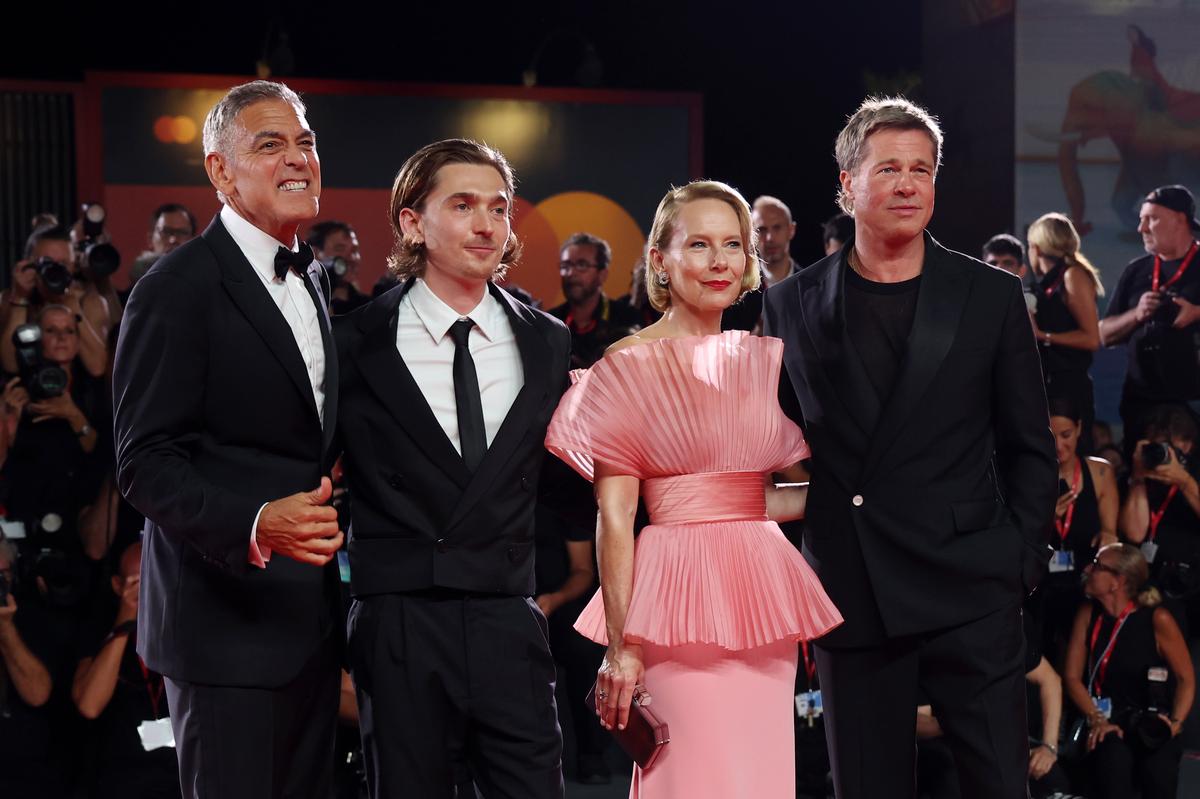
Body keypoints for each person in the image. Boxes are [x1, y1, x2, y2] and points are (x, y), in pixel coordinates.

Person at [763, 96, 1058, 799]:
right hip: (853, 591)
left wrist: (1019, 560)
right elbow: (771, 439)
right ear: (846, 182)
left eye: (921, 170)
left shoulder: (989, 295)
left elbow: (1030, 445)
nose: (906, 184)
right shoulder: (790, 304)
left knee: (998, 786)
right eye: (888, 167)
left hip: (971, 583)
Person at [546, 179, 842, 796]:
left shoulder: (758, 357)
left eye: (733, 244)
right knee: (692, 776)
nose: (719, 262)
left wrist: (856, 497)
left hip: (760, 592)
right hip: (674, 600)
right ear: (660, 259)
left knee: (759, 776)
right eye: (700, 244)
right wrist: (623, 648)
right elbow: (615, 517)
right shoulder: (625, 365)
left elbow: (754, 499)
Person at [113, 80, 344, 799]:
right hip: (220, 629)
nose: (297, 157)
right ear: (220, 170)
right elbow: (143, 462)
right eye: (269, 144)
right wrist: (253, 522)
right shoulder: (176, 287)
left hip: (308, 624)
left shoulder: (314, 281)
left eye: (304, 141)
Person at [336, 138, 572, 798]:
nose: (486, 224)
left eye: (498, 207)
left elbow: (561, 485)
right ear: (412, 222)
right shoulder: (353, 343)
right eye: (462, 204)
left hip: (507, 613)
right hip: (400, 621)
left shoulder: (547, 341)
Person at [1063, 543, 1194, 799]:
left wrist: (1175, 723)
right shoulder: (1088, 614)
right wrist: (1096, 718)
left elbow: (1185, 678)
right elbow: (1071, 677)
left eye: (1098, 566)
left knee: (1159, 769)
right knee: (1112, 764)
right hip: (1106, 720)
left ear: (1117, 581)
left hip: (1150, 721)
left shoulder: (1157, 619)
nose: (1088, 569)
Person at [72, 540, 181, 799]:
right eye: (137, 581)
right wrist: (125, 619)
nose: (148, 589)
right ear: (117, 585)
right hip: (121, 779)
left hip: (180, 779)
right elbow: (89, 704)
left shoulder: (186, 627)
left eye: (154, 576)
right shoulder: (98, 629)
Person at [1099, 185, 1200, 452]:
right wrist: (1137, 314)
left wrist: (1197, 312)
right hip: (1141, 401)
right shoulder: (1136, 270)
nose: (1141, 228)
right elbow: (1105, 334)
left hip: (1193, 400)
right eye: (1141, 219)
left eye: (1151, 219)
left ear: (1180, 220)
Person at [1029, 396, 1118, 667]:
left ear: (1079, 429)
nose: (1059, 445)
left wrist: (1107, 538)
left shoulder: (1100, 472)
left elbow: (1110, 534)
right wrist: (1047, 516)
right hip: (1040, 585)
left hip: (1083, 583)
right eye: (1050, 436)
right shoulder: (1029, 476)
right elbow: (1019, 538)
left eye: (1066, 435)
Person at [1119, 405, 1200, 635]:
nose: (1162, 454)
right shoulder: (1136, 478)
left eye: (1169, 447)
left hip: (1193, 591)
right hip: (1148, 590)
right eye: (1156, 446)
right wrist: (1138, 478)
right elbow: (1134, 533)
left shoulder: (1194, 475)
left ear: (1187, 445)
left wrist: (1184, 481)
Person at [1027, 213, 1104, 455]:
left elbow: (1092, 338)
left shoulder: (1072, 275)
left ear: (1037, 248)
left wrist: (1042, 335)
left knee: (1073, 456)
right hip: (1047, 385)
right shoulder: (1045, 284)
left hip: (1069, 389)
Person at [549, 231, 643, 369]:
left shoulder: (627, 319)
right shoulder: (550, 321)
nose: (571, 273)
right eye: (565, 266)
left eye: (582, 265)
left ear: (602, 274)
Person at [307, 219, 370, 315]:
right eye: (340, 249)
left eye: (354, 250)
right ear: (315, 253)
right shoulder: (304, 303)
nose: (352, 258)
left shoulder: (369, 307)